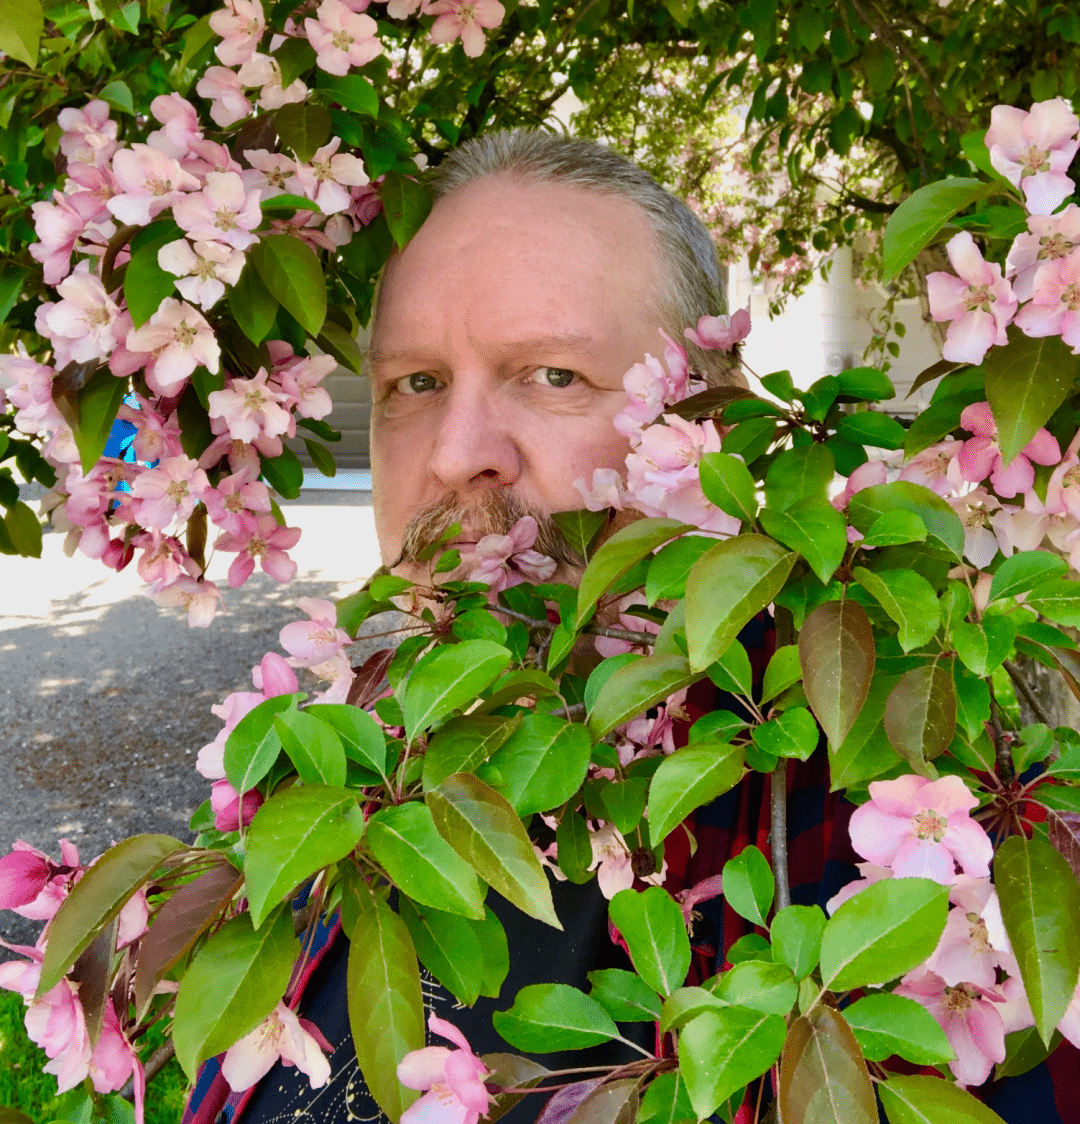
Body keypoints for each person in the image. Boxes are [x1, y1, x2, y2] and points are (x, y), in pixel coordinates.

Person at [183, 131, 1078, 1124]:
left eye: (551, 374)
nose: (454, 455)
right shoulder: (344, 774)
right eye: (415, 384)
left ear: (716, 420)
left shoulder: (916, 851)